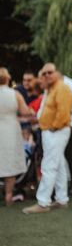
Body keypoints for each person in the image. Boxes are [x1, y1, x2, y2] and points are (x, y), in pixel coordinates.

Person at [22, 63, 72, 214]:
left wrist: (54, 127)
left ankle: (43, 202)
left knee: (49, 165)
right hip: (51, 131)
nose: (46, 76)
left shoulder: (61, 88)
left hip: (55, 131)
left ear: (57, 72)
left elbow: (63, 112)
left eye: (49, 72)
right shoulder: (50, 89)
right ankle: (62, 199)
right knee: (59, 164)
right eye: (44, 73)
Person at [0, 68, 35, 205]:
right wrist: (32, 111)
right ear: (8, 79)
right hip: (10, 130)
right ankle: (9, 195)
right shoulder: (15, 94)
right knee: (9, 160)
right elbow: (25, 112)